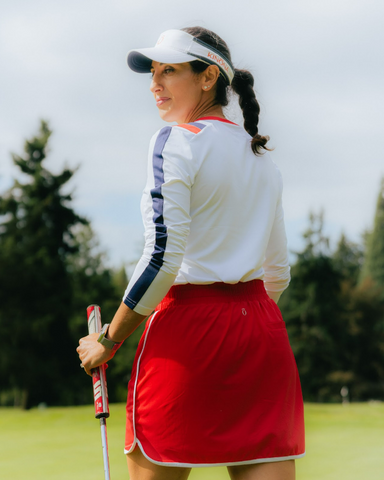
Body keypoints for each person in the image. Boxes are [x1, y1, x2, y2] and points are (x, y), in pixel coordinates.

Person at [77, 26, 305, 480]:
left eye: (170, 71)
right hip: (261, 336)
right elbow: (277, 273)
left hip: (187, 335)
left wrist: (109, 340)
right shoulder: (264, 158)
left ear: (208, 79)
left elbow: (163, 257)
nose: (154, 84)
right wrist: (241, 320)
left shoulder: (175, 142)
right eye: (154, 73)